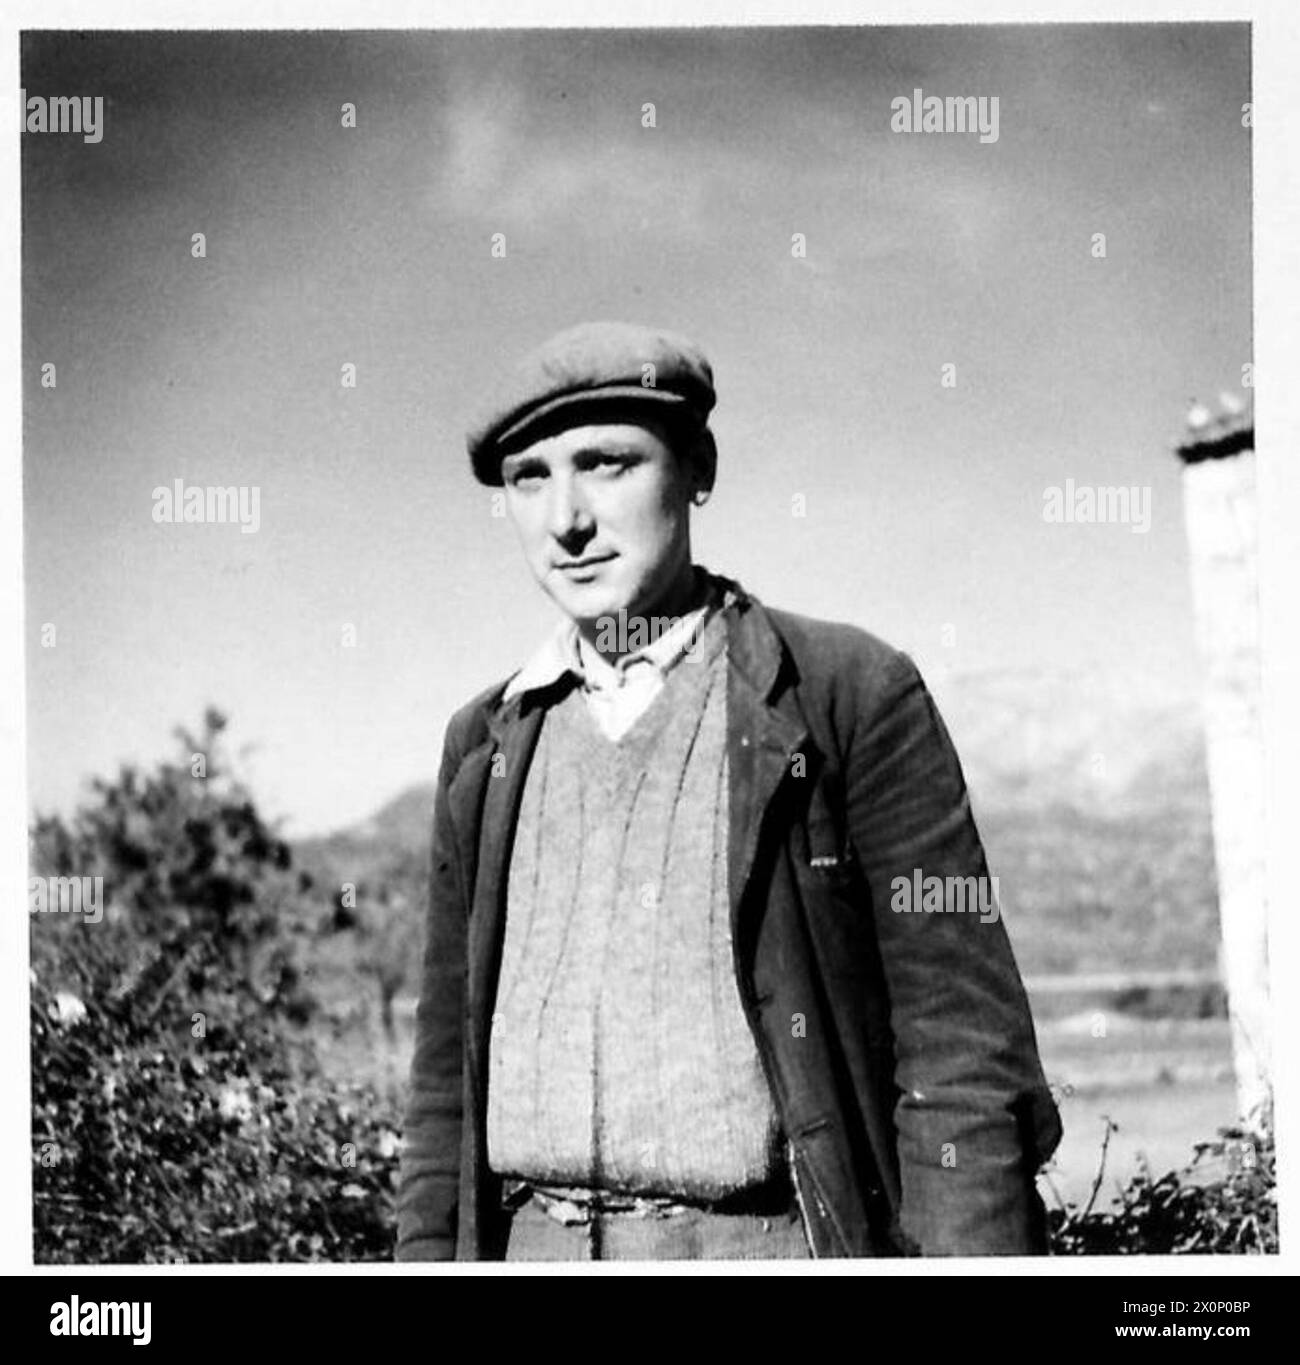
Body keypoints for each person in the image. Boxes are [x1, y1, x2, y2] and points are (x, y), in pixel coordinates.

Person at [395, 320, 1062, 1261]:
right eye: (528, 478)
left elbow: (962, 1054)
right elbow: (441, 1088)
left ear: (697, 467)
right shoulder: (488, 743)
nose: (566, 518)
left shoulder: (844, 695)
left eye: (608, 463)